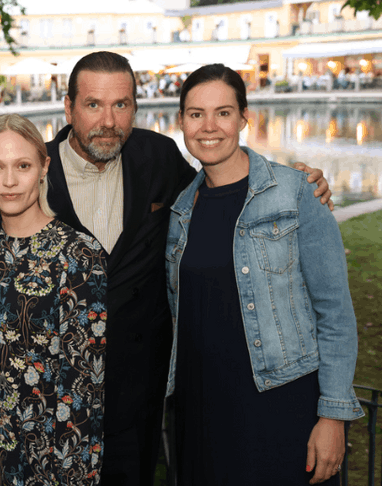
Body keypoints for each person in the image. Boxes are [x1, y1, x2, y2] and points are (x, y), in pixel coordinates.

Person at [43, 51, 332, 486]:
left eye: (121, 105)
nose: (108, 120)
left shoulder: (157, 156)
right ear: (68, 108)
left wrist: (302, 183)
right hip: (52, 396)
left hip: (139, 401)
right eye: (93, 104)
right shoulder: (32, 171)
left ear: (136, 109)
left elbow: (222, 186)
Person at [165, 63, 363, 486]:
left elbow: (336, 317)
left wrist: (333, 414)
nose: (209, 126)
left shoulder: (296, 193)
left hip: (281, 405)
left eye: (223, 112)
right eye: (196, 114)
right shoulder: (179, 211)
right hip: (201, 411)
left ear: (243, 117)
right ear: (181, 120)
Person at [0, 114, 108, 485]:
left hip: (46, 455)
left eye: (22, 166)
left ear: (44, 167)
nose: (9, 182)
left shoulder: (79, 254)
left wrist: (71, 474)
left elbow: (83, 385)